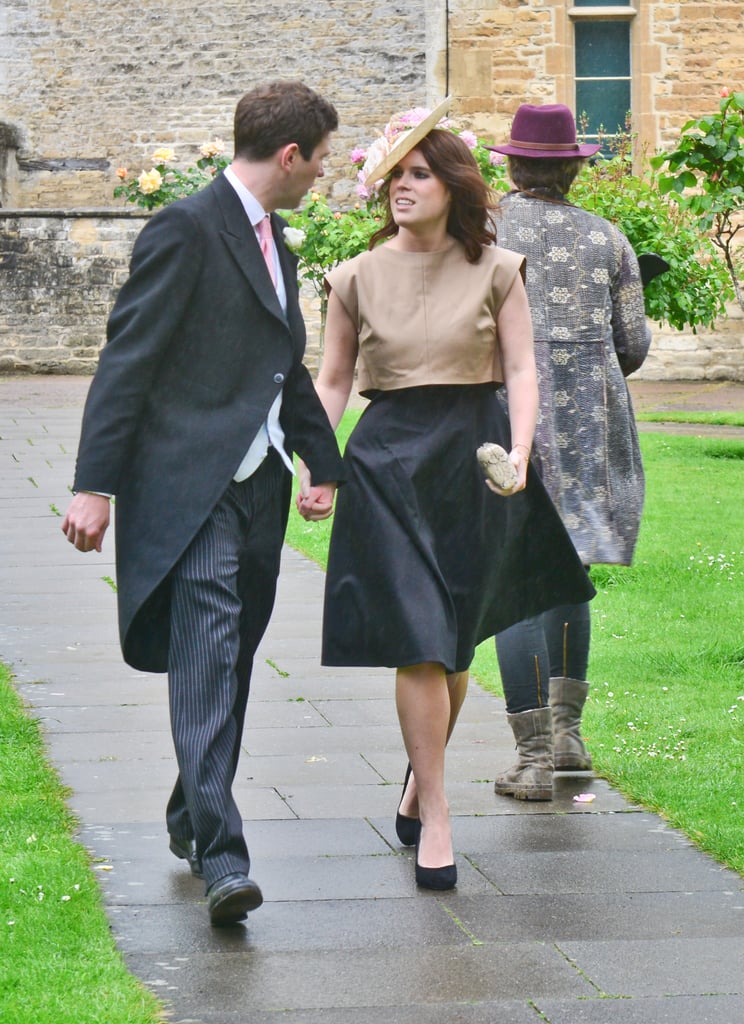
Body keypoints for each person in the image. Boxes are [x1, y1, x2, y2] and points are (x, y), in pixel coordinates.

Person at [61, 80, 344, 926]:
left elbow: (281, 368)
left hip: (261, 485)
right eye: (320, 161)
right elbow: (128, 361)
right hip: (190, 492)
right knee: (210, 654)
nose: (322, 176)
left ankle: (191, 813)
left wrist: (319, 461)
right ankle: (225, 859)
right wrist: (93, 484)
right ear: (289, 155)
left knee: (232, 657)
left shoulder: (274, 244)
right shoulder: (184, 229)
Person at [297, 101, 595, 890]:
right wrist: (318, 466)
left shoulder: (500, 269)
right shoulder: (354, 276)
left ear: (452, 185)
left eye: (419, 174)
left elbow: (525, 369)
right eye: (394, 175)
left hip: (475, 459)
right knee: (422, 639)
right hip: (388, 462)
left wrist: (523, 451)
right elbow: (330, 381)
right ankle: (438, 812)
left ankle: (414, 780)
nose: (402, 187)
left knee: (454, 640)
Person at [486, 103, 651, 800]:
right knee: (567, 574)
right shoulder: (609, 239)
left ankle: (530, 758)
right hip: (588, 424)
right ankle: (570, 740)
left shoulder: (484, 231)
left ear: (514, 166)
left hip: (504, 417)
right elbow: (634, 344)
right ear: (573, 169)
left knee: (512, 576)